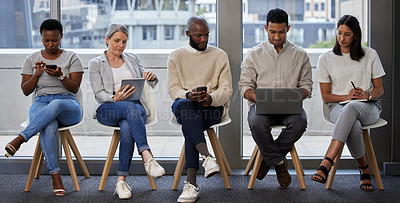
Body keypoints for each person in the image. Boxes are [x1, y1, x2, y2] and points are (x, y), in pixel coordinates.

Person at [4, 19, 84, 196]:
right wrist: (36, 74)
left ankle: (20, 139)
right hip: (41, 103)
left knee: (55, 104)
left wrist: (61, 76)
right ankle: (55, 176)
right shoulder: (31, 59)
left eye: (54, 40)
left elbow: (74, 88)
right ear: (41, 37)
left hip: (68, 104)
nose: (50, 44)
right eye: (46, 40)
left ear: (61, 37)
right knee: (48, 124)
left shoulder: (72, 57)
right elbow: (26, 90)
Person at [88, 24, 165, 200]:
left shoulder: (132, 58)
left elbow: (148, 82)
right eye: (116, 41)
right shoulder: (95, 63)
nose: (120, 45)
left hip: (135, 107)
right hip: (108, 108)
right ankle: (147, 156)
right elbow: (99, 94)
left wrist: (151, 77)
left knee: (128, 124)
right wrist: (115, 98)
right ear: (107, 40)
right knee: (129, 110)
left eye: (124, 41)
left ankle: (121, 181)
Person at [238, 8, 313, 189]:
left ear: (288, 28)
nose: (277, 37)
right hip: (262, 106)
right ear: (266, 28)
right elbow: (244, 87)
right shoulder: (254, 54)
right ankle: (279, 164)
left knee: (300, 122)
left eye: (281, 32)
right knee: (256, 122)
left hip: (290, 108)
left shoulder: (300, 54)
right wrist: (260, 99)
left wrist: (294, 96)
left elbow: (307, 87)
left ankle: (267, 159)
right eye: (272, 32)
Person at [312, 15, 385, 192]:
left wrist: (366, 94)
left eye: (347, 34)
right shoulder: (326, 58)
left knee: (352, 108)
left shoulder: (370, 54)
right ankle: (364, 169)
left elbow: (379, 90)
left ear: (356, 35)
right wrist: (347, 96)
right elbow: (326, 96)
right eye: (339, 33)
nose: (342, 38)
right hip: (338, 107)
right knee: (352, 121)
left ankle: (326, 162)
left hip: (368, 107)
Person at [168, 16, 232, 202]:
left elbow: (227, 90)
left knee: (190, 124)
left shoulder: (220, 55)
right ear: (188, 34)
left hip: (211, 108)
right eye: (198, 36)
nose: (203, 39)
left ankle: (191, 184)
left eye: (206, 35)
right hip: (186, 105)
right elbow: (173, 90)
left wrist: (210, 98)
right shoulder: (176, 56)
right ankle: (206, 157)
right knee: (185, 106)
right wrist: (188, 95)